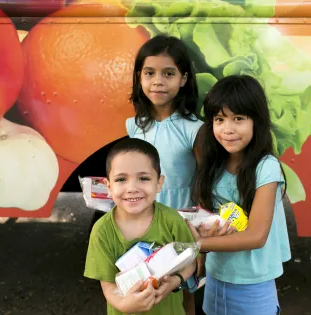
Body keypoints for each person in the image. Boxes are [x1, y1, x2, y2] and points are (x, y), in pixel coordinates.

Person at [189, 74, 291, 315]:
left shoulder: (266, 167)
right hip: (216, 277)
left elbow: (256, 236)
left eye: (238, 119)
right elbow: (206, 217)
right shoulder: (213, 165)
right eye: (219, 119)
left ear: (256, 121)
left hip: (254, 283)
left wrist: (197, 245)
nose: (228, 129)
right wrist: (200, 254)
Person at [126, 35, 204, 314]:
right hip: (144, 220)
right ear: (139, 77)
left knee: (183, 290)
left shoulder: (194, 129)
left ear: (183, 79)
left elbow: (204, 181)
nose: (158, 81)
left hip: (182, 223)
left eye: (168, 73)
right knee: (146, 286)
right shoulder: (134, 126)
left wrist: (200, 239)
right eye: (150, 73)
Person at [84, 138, 197, 315]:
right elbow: (108, 286)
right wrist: (123, 305)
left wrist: (175, 282)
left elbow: (189, 262)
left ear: (159, 183)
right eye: (121, 179)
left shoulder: (172, 221)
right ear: (108, 186)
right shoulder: (102, 231)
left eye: (143, 178)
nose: (132, 188)